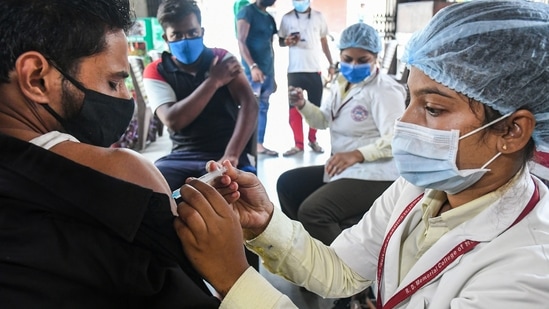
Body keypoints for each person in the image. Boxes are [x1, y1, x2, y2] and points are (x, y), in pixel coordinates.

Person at [174, 0, 549, 308]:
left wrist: (235, 280)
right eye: (409, 100)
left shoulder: (526, 272)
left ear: (512, 131)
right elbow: (342, 269)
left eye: (433, 109)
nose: (404, 123)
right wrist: (264, 223)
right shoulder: (417, 192)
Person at [0, 0, 220, 307]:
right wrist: (232, 272)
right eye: (114, 82)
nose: (126, 97)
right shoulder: (126, 175)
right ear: (37, 78)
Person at [277, 22, 406, 245]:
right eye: (348, 59)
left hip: (377, 173)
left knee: (313, 212)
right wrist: (303, 104)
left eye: (362, 60)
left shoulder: (385, 90)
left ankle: (345, 273)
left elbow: (397, 138)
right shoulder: (341, 83)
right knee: (288, 184)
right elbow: (324, 120)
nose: (353, 65)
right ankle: (305, 254)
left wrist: (357, 154)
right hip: (347, 166)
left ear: (376, 57)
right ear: (340, 56)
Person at [143, 0, 258, 192]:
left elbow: (250, 104)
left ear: (202, 32)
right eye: (177, 35)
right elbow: (173, 120)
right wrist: (213, 81)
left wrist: (232, 154)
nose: (185, 40)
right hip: (181, 156)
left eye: (192, 33)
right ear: (166, 37)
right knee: (154, 191)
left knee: (238, 194)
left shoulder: (223, 59)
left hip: (226, 150)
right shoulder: (156, 71)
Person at [278, 0, 335, 156]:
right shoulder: (287, 18)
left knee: (315, 108)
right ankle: (298, 144)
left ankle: (313, 139)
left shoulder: (318, 17)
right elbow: (280, 41)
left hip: (314, 69)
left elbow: (324, 41)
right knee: (294, 108)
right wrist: (287, 41)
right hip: (295, 70)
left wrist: (331, 63)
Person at [236, 0, 279, 157]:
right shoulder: (247, 12)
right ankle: (243, 147)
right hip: (252, 72)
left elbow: (271, 46)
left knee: (263, 109)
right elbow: (241, 41)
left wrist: (273, 75)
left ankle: (259, 144)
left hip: (267, 72)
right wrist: (253, 66)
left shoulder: (269, 18)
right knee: (250, 107)